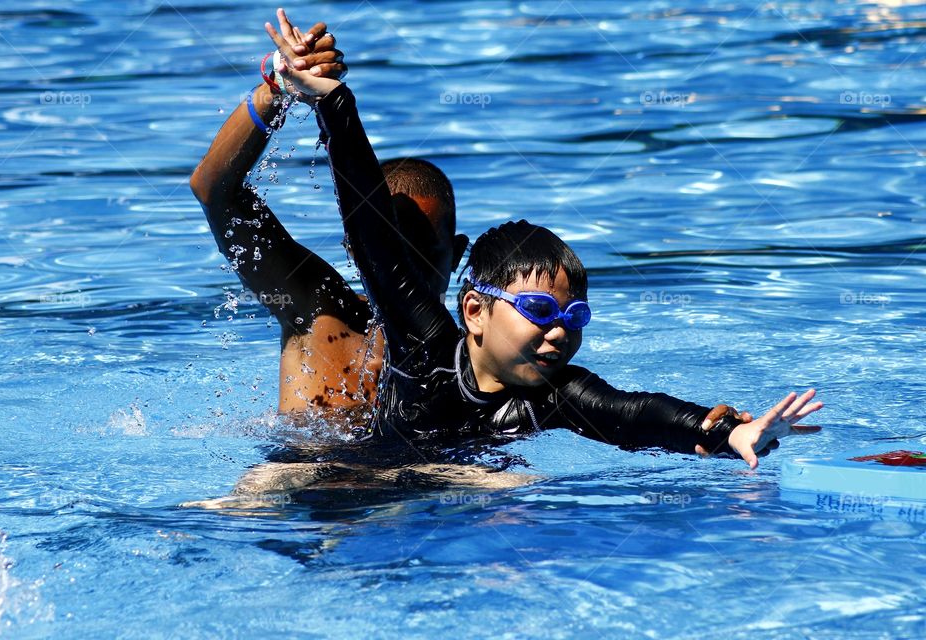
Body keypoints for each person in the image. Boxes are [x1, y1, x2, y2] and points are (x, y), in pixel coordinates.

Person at [268, 14, 824, 470]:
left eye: (575, 317)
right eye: (538, 310)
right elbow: (375, 245)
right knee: (273, 480)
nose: (560, 333)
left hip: (446, 494)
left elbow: (631, 414)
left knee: (500, 491)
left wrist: (728, 433)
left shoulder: (553, 394)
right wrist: (335, 104)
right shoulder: (426, 346)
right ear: (475, 311)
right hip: (359, 473)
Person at [190, 11, 467, 421]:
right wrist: (280, 87)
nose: (401, 267)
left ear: (457, 255)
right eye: (390, 247)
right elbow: (215, 190)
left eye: (422, 251)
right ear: (356, 247)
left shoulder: (474, 360)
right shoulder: (318, 309)